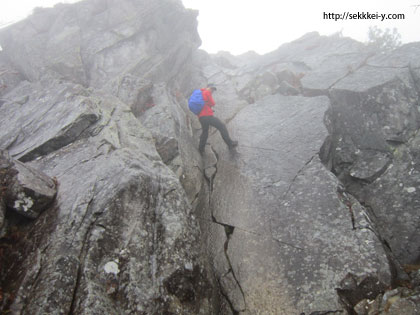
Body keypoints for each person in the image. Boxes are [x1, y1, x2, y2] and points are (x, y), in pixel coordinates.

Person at [198, 85, 238, 155]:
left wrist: (209, 108)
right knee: (221, 126)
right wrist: (210, 105)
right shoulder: (207, 92)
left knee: (205, 132)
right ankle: (230, 144)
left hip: (201, 117)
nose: (212, 91)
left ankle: (201, 149)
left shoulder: (200, 92)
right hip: (207, 116)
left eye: (213, 90)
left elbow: (204, 105)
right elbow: (212, 103)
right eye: (212, 89)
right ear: (208, 87)